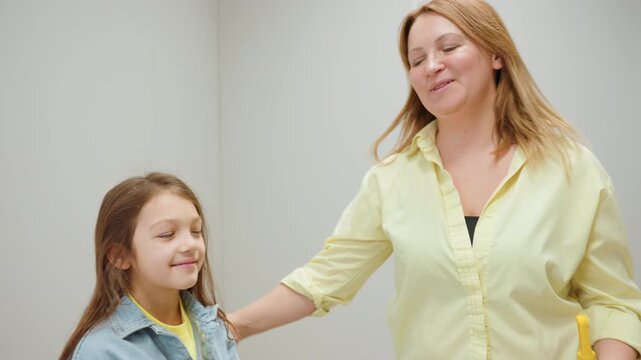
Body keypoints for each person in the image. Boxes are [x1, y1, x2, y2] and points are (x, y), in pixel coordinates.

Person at [228, 0, 641, 359]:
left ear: (496, 54)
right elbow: (322, 280)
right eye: (416, 59)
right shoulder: (391, 182)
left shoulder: (572, 169)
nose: (432, 66)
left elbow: (614, 302)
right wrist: (234, 326)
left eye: (448, 47)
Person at [59, 173, 239, 360]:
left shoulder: (214, 327)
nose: (190, 244)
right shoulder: (101, 351)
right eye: (167, 234)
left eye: (196, 231)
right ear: (120, 255)